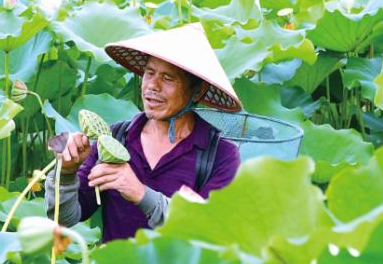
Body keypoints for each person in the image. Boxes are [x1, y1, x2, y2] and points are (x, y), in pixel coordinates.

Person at [46, 22, 242, 242]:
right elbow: (65, 218)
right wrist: (66, 173)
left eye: (168, 78)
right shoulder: (114, 138)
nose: (152, 86)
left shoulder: (220, 156)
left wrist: (141, 193)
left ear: (199, 91)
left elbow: (208, 233)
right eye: (149, 73)